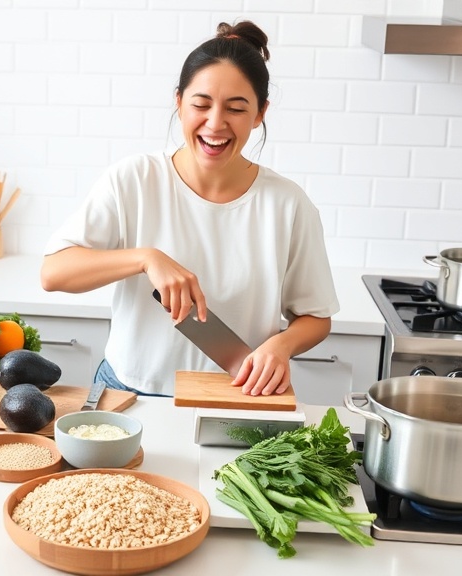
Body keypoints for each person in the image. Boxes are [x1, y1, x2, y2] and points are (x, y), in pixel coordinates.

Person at [39, 20, 339, 397]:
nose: (215, 124)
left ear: (260, 113)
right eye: (201, 104)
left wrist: (281, 345)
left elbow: (315, 317)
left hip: (234, 396)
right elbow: (53, 272)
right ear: (179, 102)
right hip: (127, 392)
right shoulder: (134, 179)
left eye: (236, 108)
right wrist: (146, 258)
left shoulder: (288, 205)